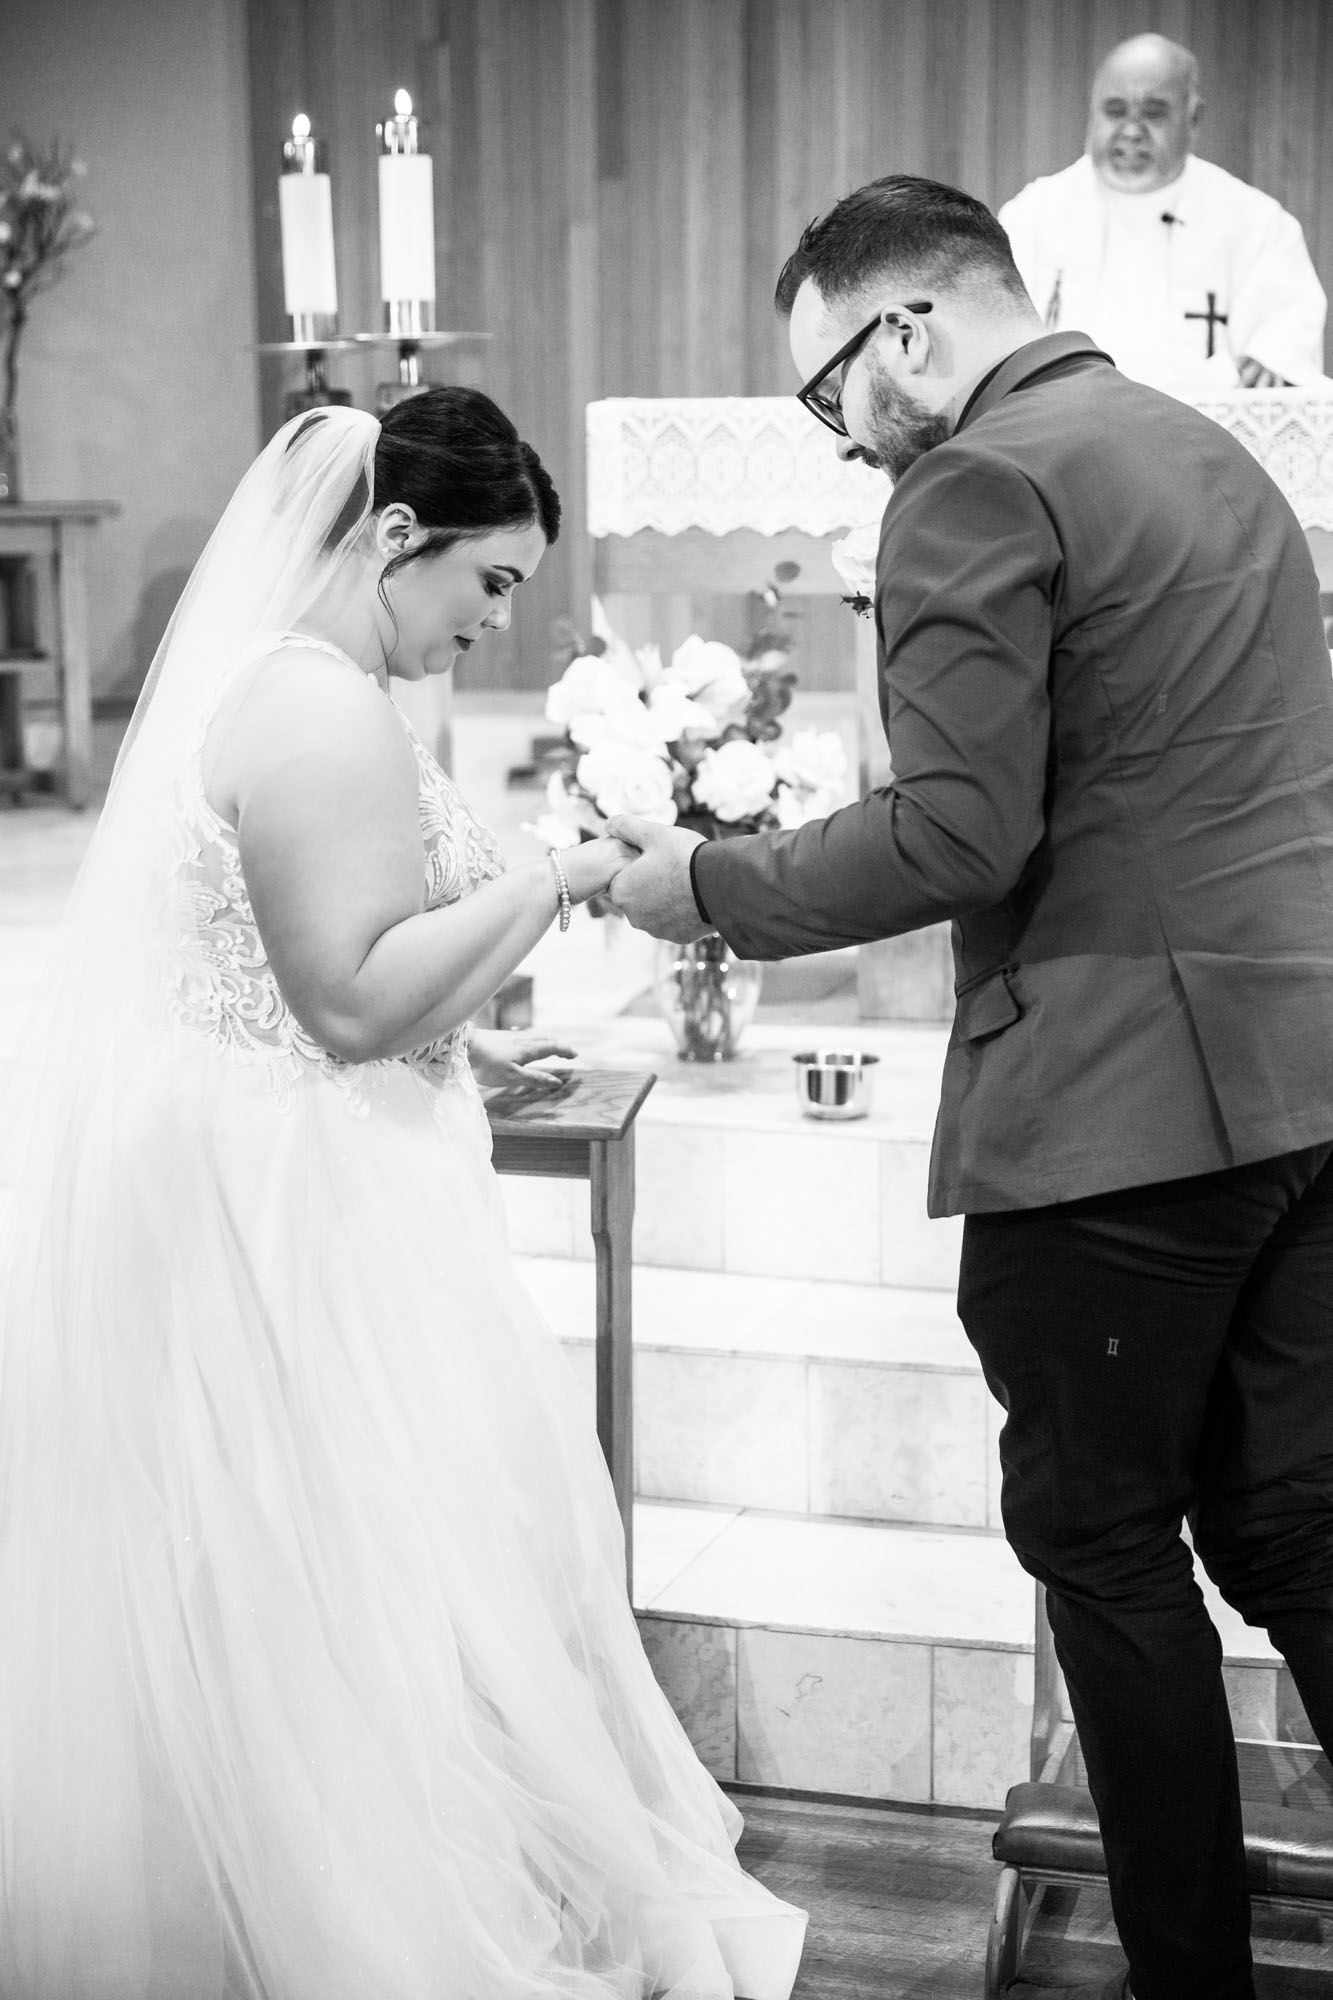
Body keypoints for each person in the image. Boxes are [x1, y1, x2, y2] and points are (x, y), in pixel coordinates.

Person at [607, 174, 1333, 2000]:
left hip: (1116, 1103)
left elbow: (951, 830)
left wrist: (697, 888)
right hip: (1301, 1076)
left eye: (828, 389)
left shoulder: (971, 481)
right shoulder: (1207, 452)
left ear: (907, 330)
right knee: (1284, 1523)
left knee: (1099, 1537)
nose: (839, 437)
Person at [0, 387, 806, 2000]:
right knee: (323, 1559)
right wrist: (553, 878)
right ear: (389, 537)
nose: (492, 621)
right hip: (292, 1213)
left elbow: (323, 973)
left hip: (312, 1158)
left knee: (343, 1569)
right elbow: (355, 1002)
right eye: (486, 582)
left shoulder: (310, 687)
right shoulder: (313, 710)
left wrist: (469, 1045)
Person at [997, 32, 1327, 394]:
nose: (1132, 130)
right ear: (1092, 111)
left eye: (1153, 113)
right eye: (1115, 110)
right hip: (1063, 429)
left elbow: (1285, 332)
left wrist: (1271, 357)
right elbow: (996, 337)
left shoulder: (1255, 222)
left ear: (1194, 118)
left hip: (1201, 434)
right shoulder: (1033, 215)